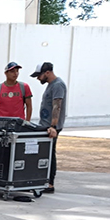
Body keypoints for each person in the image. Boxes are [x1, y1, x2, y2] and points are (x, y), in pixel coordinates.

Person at [31, 62, 67, 193]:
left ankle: (50, 184)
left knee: (50, 154)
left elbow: (57, 106)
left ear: (47, 73)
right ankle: (43, 180)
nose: (38, 78)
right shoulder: (51, 85)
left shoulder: (58, 85)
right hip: (45, 125)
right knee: (45, 153)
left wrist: (53, 126)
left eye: (39, 75)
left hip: (51, 127)